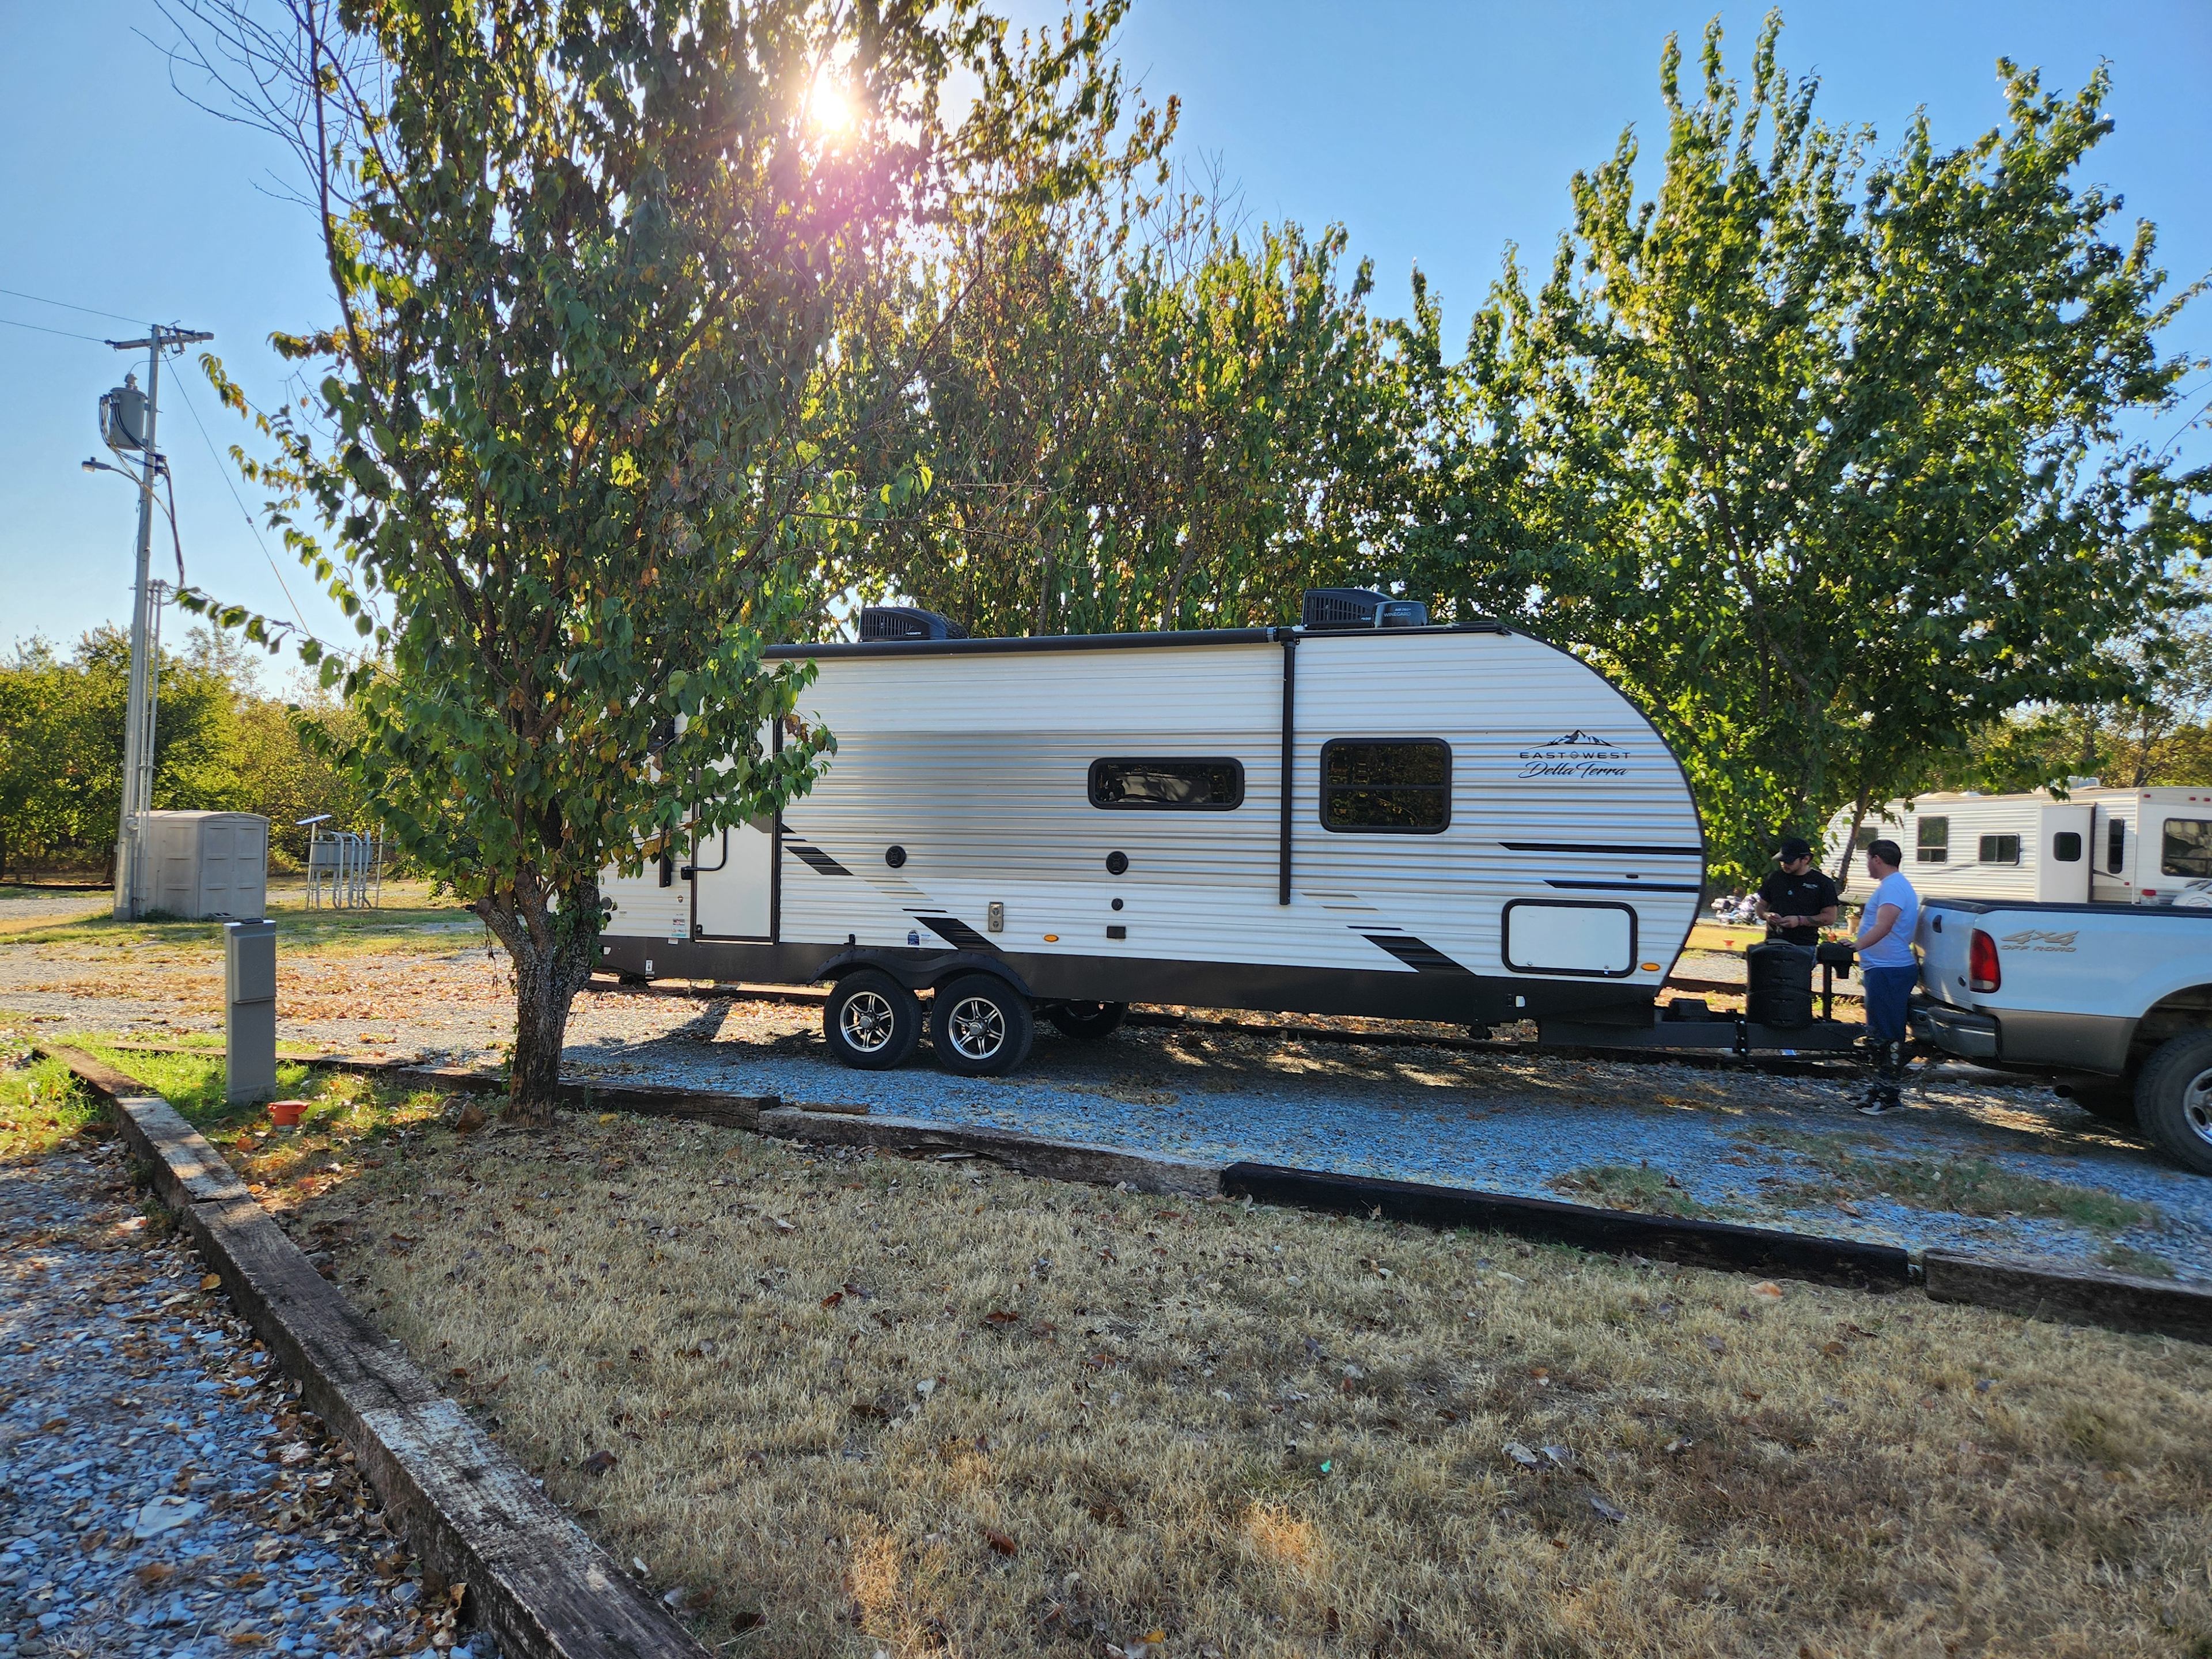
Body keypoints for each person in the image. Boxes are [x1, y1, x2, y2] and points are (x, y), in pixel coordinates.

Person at [1854, 839, 1921, 1115]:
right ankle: (1879, 1089)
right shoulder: (1892, 886)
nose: (1867, 864)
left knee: (1888, 1035)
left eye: (1868, 859)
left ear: (1877, 859)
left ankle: (1889, 1098)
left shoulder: (1893, 887)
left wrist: (1854, 946)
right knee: (1879, 1033)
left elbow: (1884, 925)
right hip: (1883, 968)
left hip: (1889, 969)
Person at [1756, 836, 1840, 947]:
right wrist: (1767, 915)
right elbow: (1761, 905)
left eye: (1789, 862)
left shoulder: (1823, 883)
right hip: (1773, 941)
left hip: (1804, 945)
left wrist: (1800, 921)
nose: (1784, 865)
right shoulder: (1775, 878)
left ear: (1805, 859)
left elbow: (1830, 917)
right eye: (1782, 861)